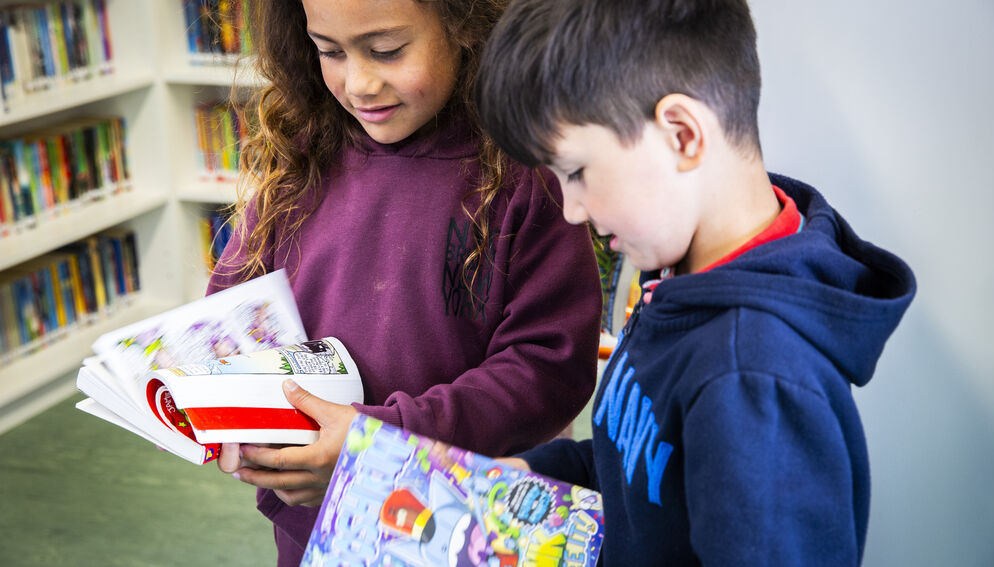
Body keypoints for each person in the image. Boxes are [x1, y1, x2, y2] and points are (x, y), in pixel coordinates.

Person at [475, 0, 917, 565]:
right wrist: (533, 473)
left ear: (682, 134)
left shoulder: (755, 379)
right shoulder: (679, 277)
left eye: (578, 173)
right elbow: (641, 476)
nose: (571, 211)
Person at [206, 1, 603, 565]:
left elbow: (547, 368)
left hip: (456, 520)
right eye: (330, 52)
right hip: (312, 522)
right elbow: (234, 306)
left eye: (387, 51)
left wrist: (384, 440)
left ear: (465, 26)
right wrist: (220, 402)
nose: (359, 82)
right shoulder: (303, 154)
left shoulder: (523, 175)